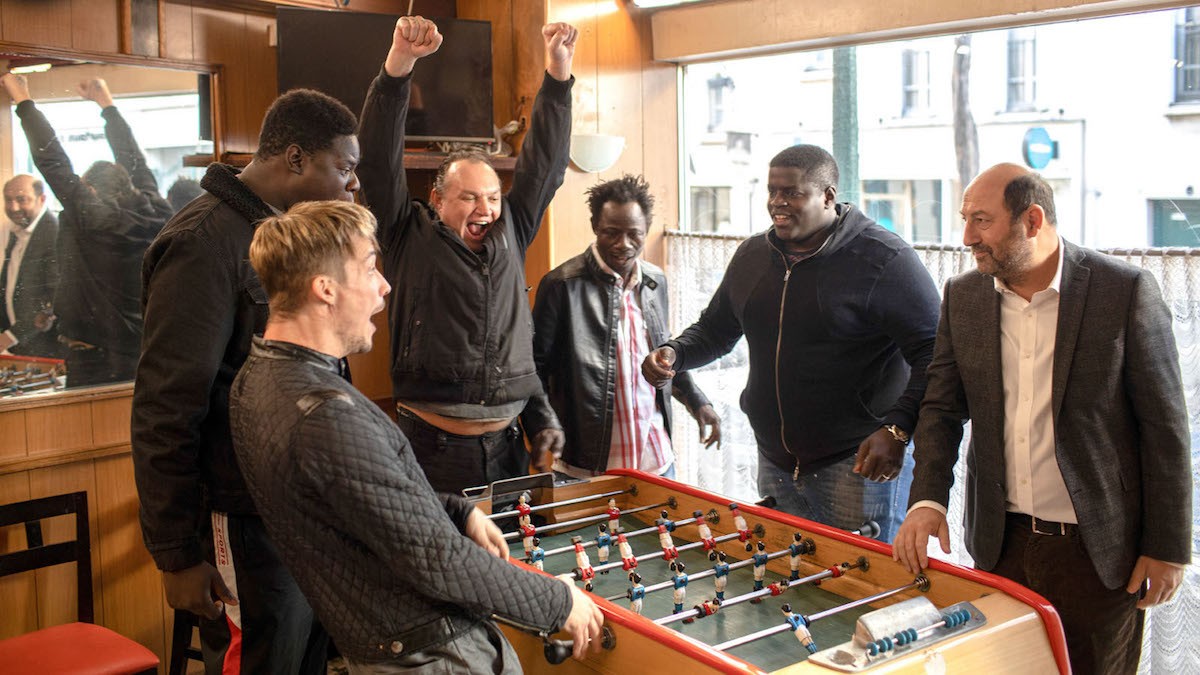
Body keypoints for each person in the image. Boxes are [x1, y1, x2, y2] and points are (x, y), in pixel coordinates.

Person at [229, 200, 603, 673]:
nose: (384, 286)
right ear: (324, 289)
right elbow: (438, 560)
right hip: (431, 653)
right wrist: (557, 602)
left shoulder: (256, 378)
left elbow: (359, 501)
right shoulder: (323, 414)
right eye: (369, 269)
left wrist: (458, 510)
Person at [893, 163, 1192, 674]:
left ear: (1032, 220)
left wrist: (1168, 548)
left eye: (981, 221)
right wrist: (927, 499)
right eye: (966, 219)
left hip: (1098, 557)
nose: (967, 236)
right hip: (999, 545)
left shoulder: (1124, 292)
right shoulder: (962, 297)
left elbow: (1165, 430)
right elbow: (942, 409)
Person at [132, 83, 360, 673]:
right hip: (242, 515)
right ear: (295, 159)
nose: (351, 182)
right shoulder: (203, 244)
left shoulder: (286, 234)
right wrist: (176, 555)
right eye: (343, 167)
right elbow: (167, 407)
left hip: (302, 509)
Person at [642, 145, 940, 542]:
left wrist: (899, 428)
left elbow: (934, 353)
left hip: (858, 466)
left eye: (792, 193)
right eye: (772, 192)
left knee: (861, 593)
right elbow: (716, 329)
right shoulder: (752, 255)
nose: (777, 204)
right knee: (788, 584)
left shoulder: (884, 259)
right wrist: (675, 353)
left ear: (828, 197)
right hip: (775, 463)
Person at [356, 15, 577, 493]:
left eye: (493, 196)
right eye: (469, 197)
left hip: (509, 448)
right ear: (437, 201)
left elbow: (546, 165)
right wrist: (399, 66)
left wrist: (559, 76)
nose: (486, 209)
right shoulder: (404, 232)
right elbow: (376, 160)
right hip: (433, 452)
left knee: (514, 565)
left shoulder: (512, 230)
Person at [530, 174, 720, 479]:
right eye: (611, 233)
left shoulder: (655, 281)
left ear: (646, 230)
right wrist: (543, 423)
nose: (624, 244)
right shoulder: (561, 286)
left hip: (656, 460)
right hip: (585, 466)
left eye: (635, 234)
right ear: (595, 227)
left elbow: (666, 351)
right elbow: (533, 368)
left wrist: (697, 400)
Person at [2, 74, 172, 386]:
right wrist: (107, 106)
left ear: (91, 190)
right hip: (146, 352)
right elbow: (135, 163)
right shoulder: (156, 210)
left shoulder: (92, 218)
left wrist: (24, 102)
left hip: (95, 358)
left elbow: (53, 163)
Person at [0, 174, 60, 359]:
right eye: (8, 200)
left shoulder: (54, 232)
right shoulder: (14, 230)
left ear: (41, 199)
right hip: (18, 346)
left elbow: (53, 298)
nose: (13, 207)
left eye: (21, 199)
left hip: (43, 349)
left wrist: (11, 336)